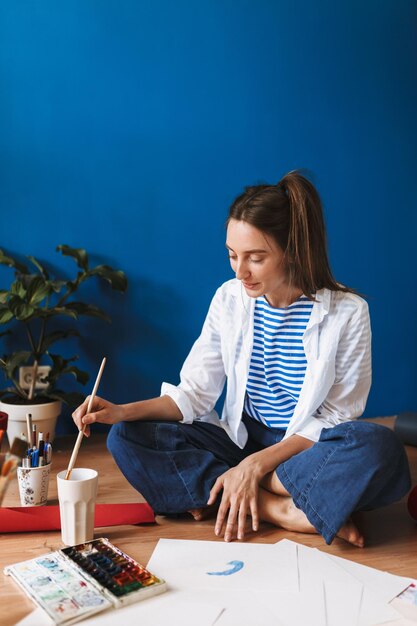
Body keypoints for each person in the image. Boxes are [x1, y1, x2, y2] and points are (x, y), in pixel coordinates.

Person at [73, 171, 411, 547]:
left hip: (301, 451)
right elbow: (196, 393)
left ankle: (235, 487)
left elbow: (335, 417)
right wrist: (119, 411)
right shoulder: (229, 298)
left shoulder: (348, 312)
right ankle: (279, 509)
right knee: (127, 436)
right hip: (239, 441)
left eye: (256, 258)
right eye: (233, 255)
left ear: (293, 250)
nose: (240, 271)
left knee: (378, 448)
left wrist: (256, 466)